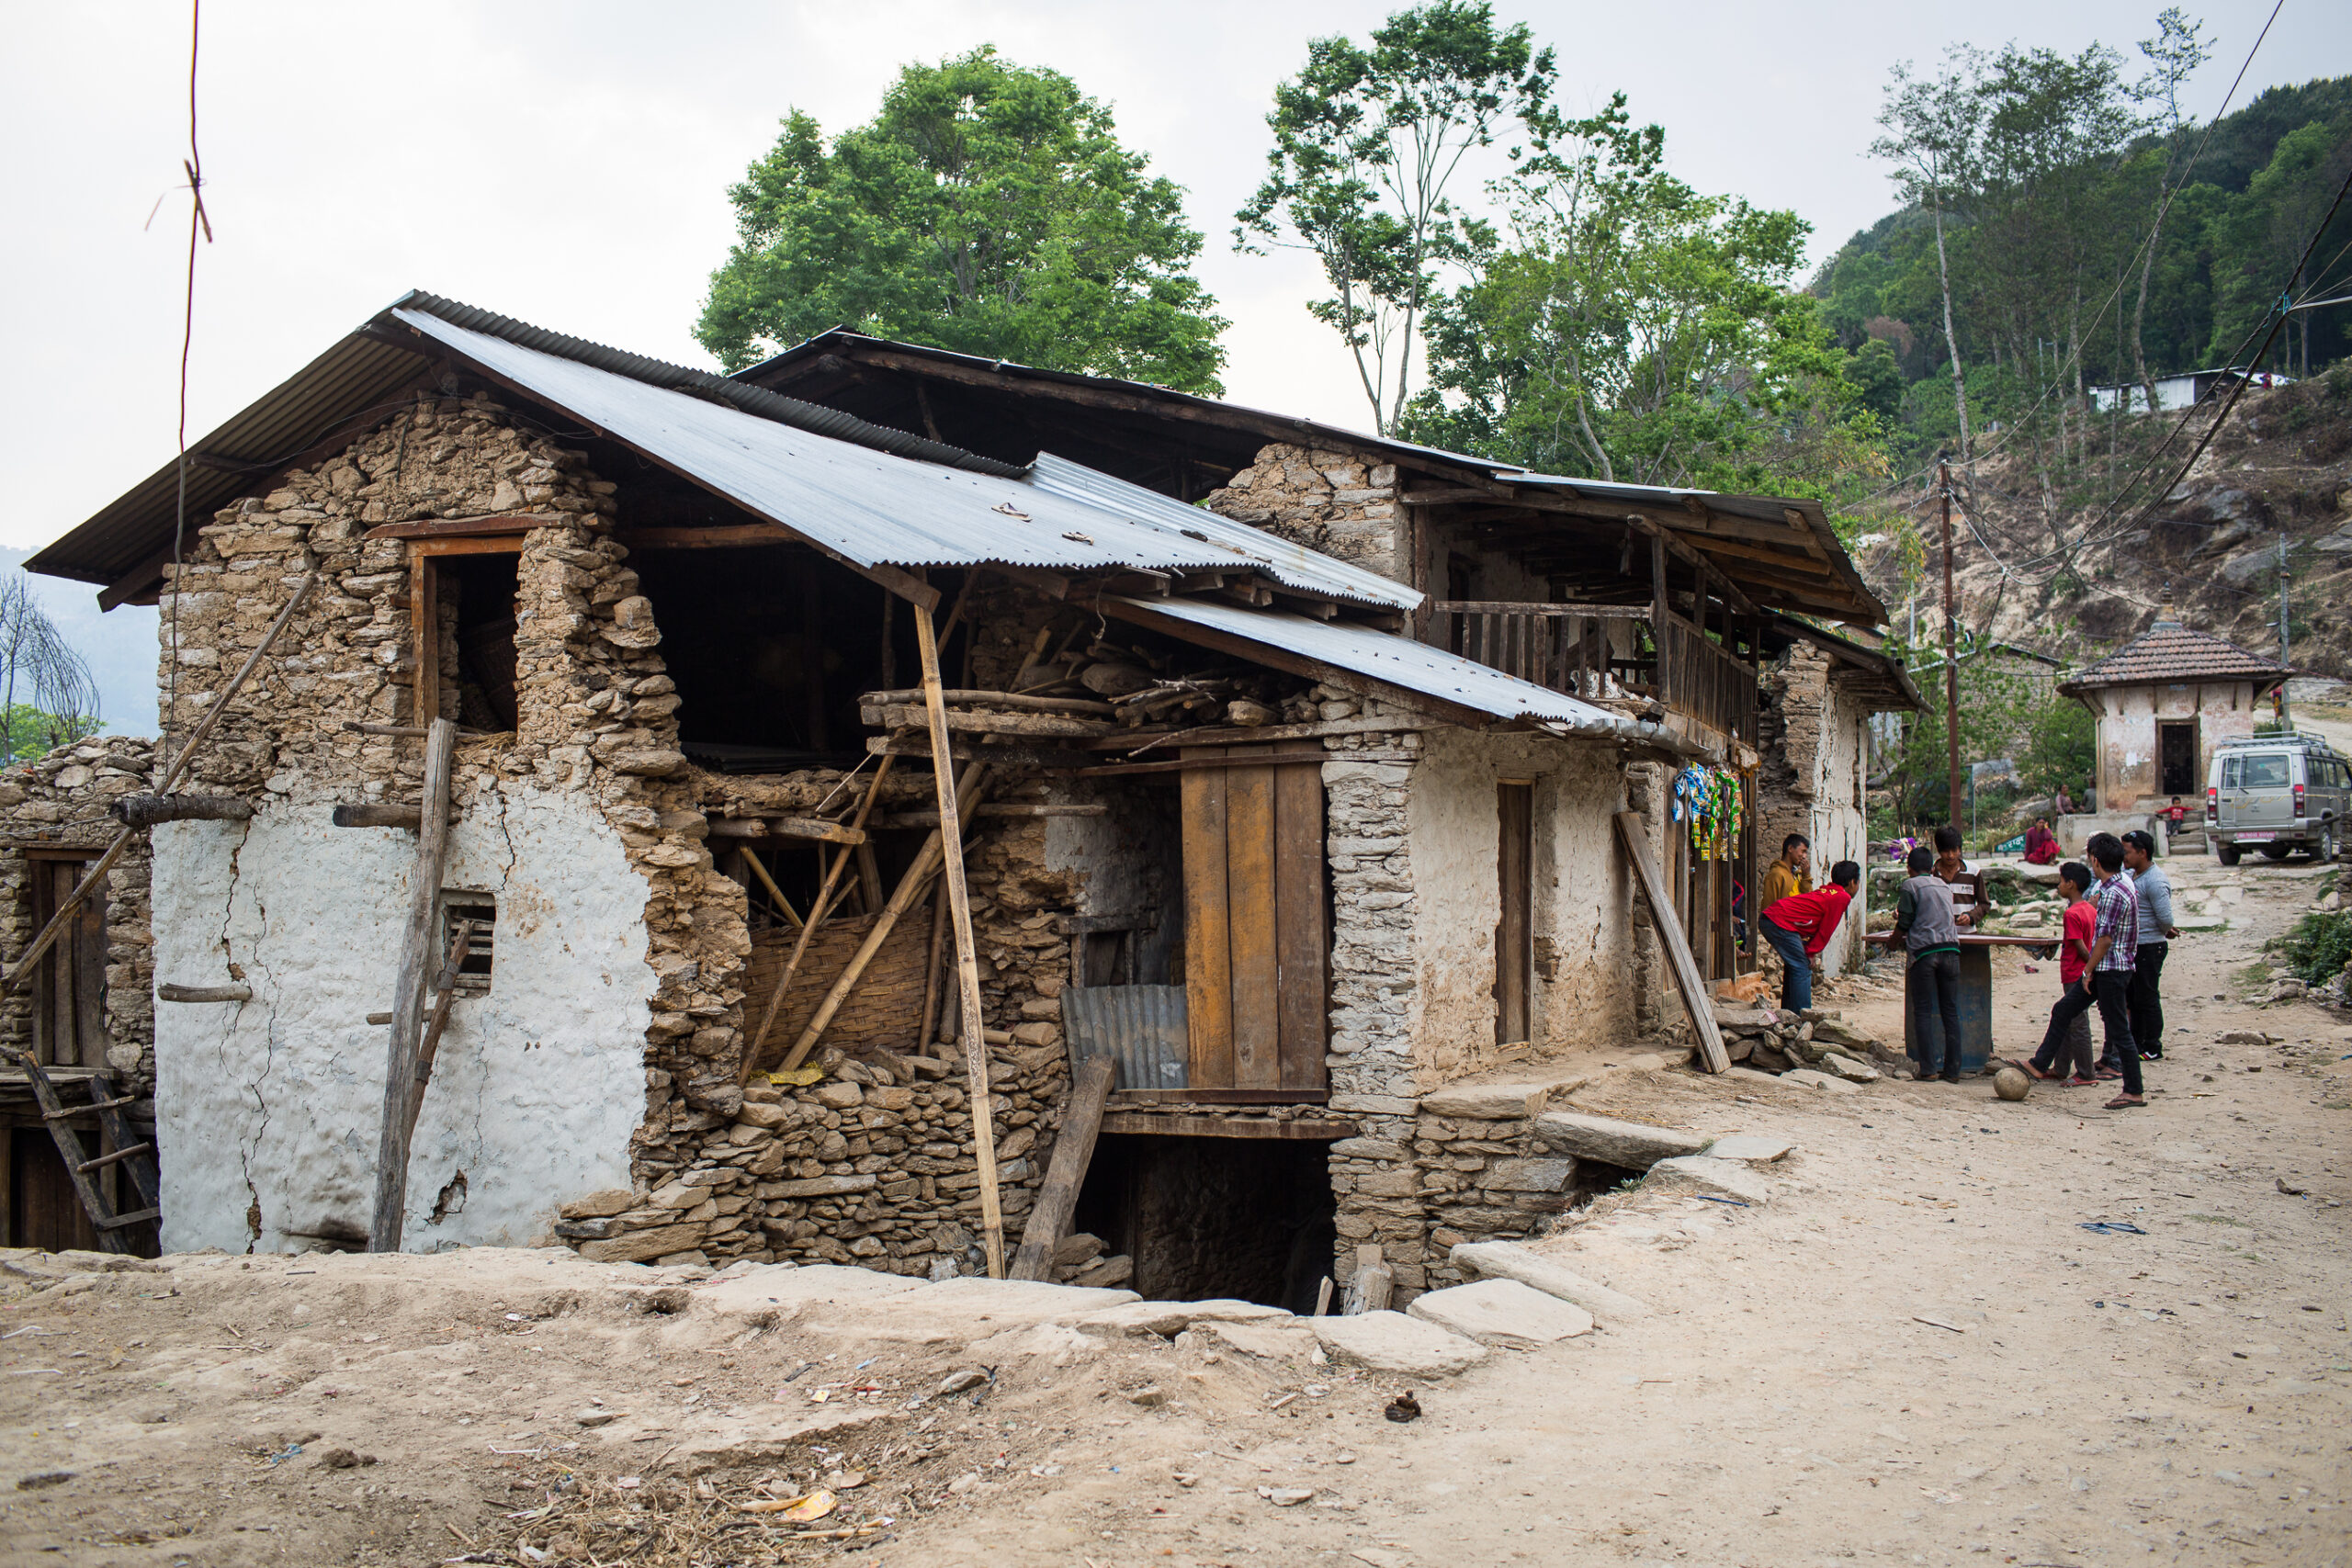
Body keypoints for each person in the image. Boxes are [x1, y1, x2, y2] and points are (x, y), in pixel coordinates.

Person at [2022, 835, 2144, 1110]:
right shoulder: (2121, 883)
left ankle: (2134, 1090)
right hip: (2112, 967)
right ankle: (2040, 1064)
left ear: (2095, 861)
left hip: (2110, 970)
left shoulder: (2114, 892)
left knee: (2118, 1030)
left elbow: (2105, 939)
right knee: (2064, 1009)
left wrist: (2088, 971)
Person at [2015, 863, 2098, 1085]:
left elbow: (2079, 944)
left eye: (2061, 881)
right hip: (2080, 971)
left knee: (2078, 1022)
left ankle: (2086, 1073)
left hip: (2075, 973)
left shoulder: (2072, 913)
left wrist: (2089, 966)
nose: (2059, 886)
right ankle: (2061, 1067)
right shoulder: (2090, 909)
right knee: (2068, 1019)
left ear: (2071, 884)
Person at [1892, 846, 1963, 1082]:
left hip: (1925, 952)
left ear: (1909, 868)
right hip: (1951, 950)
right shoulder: (1943, 885)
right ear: (1932, 868)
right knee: (1950, 1011)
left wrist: (1891, 943)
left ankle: (1929, 1069)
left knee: (1922, 1010)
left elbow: (1905, 921)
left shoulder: (1909, 885)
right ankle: (1953, 1071)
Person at [1758, 860, 1861, 1014]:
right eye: (1858, 882)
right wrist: (1811, 952)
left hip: (1773, 918)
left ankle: (1789, 1014)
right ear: (1853, 882)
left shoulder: (1828, 891)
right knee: (1802, 967)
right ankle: (1803, 1017)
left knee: (1795, 966)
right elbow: (1826, 931)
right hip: (1778, 921)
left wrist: (1809, 949)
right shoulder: (1841, 897)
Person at [2121, 829, 2178, 1062]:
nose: (2123, 856)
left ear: (2142, 853)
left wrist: (2165, 930)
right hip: (2136, 946)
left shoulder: (2154, 880)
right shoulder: (2133, 875)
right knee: (2133, 998)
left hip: (2149, 946)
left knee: (2147, 997)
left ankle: (2153, 1045)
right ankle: (2137, 1042)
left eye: (2127, 852)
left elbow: (2165, 918)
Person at [1759, 834, 1812, 909]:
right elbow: (1768, 907)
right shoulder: (1777, 874)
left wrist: (1806, 876)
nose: (1804, 856)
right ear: (1790, 848)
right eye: (1803, 851)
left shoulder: (1797, 874)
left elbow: (1807, 900)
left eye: (1806, 853)